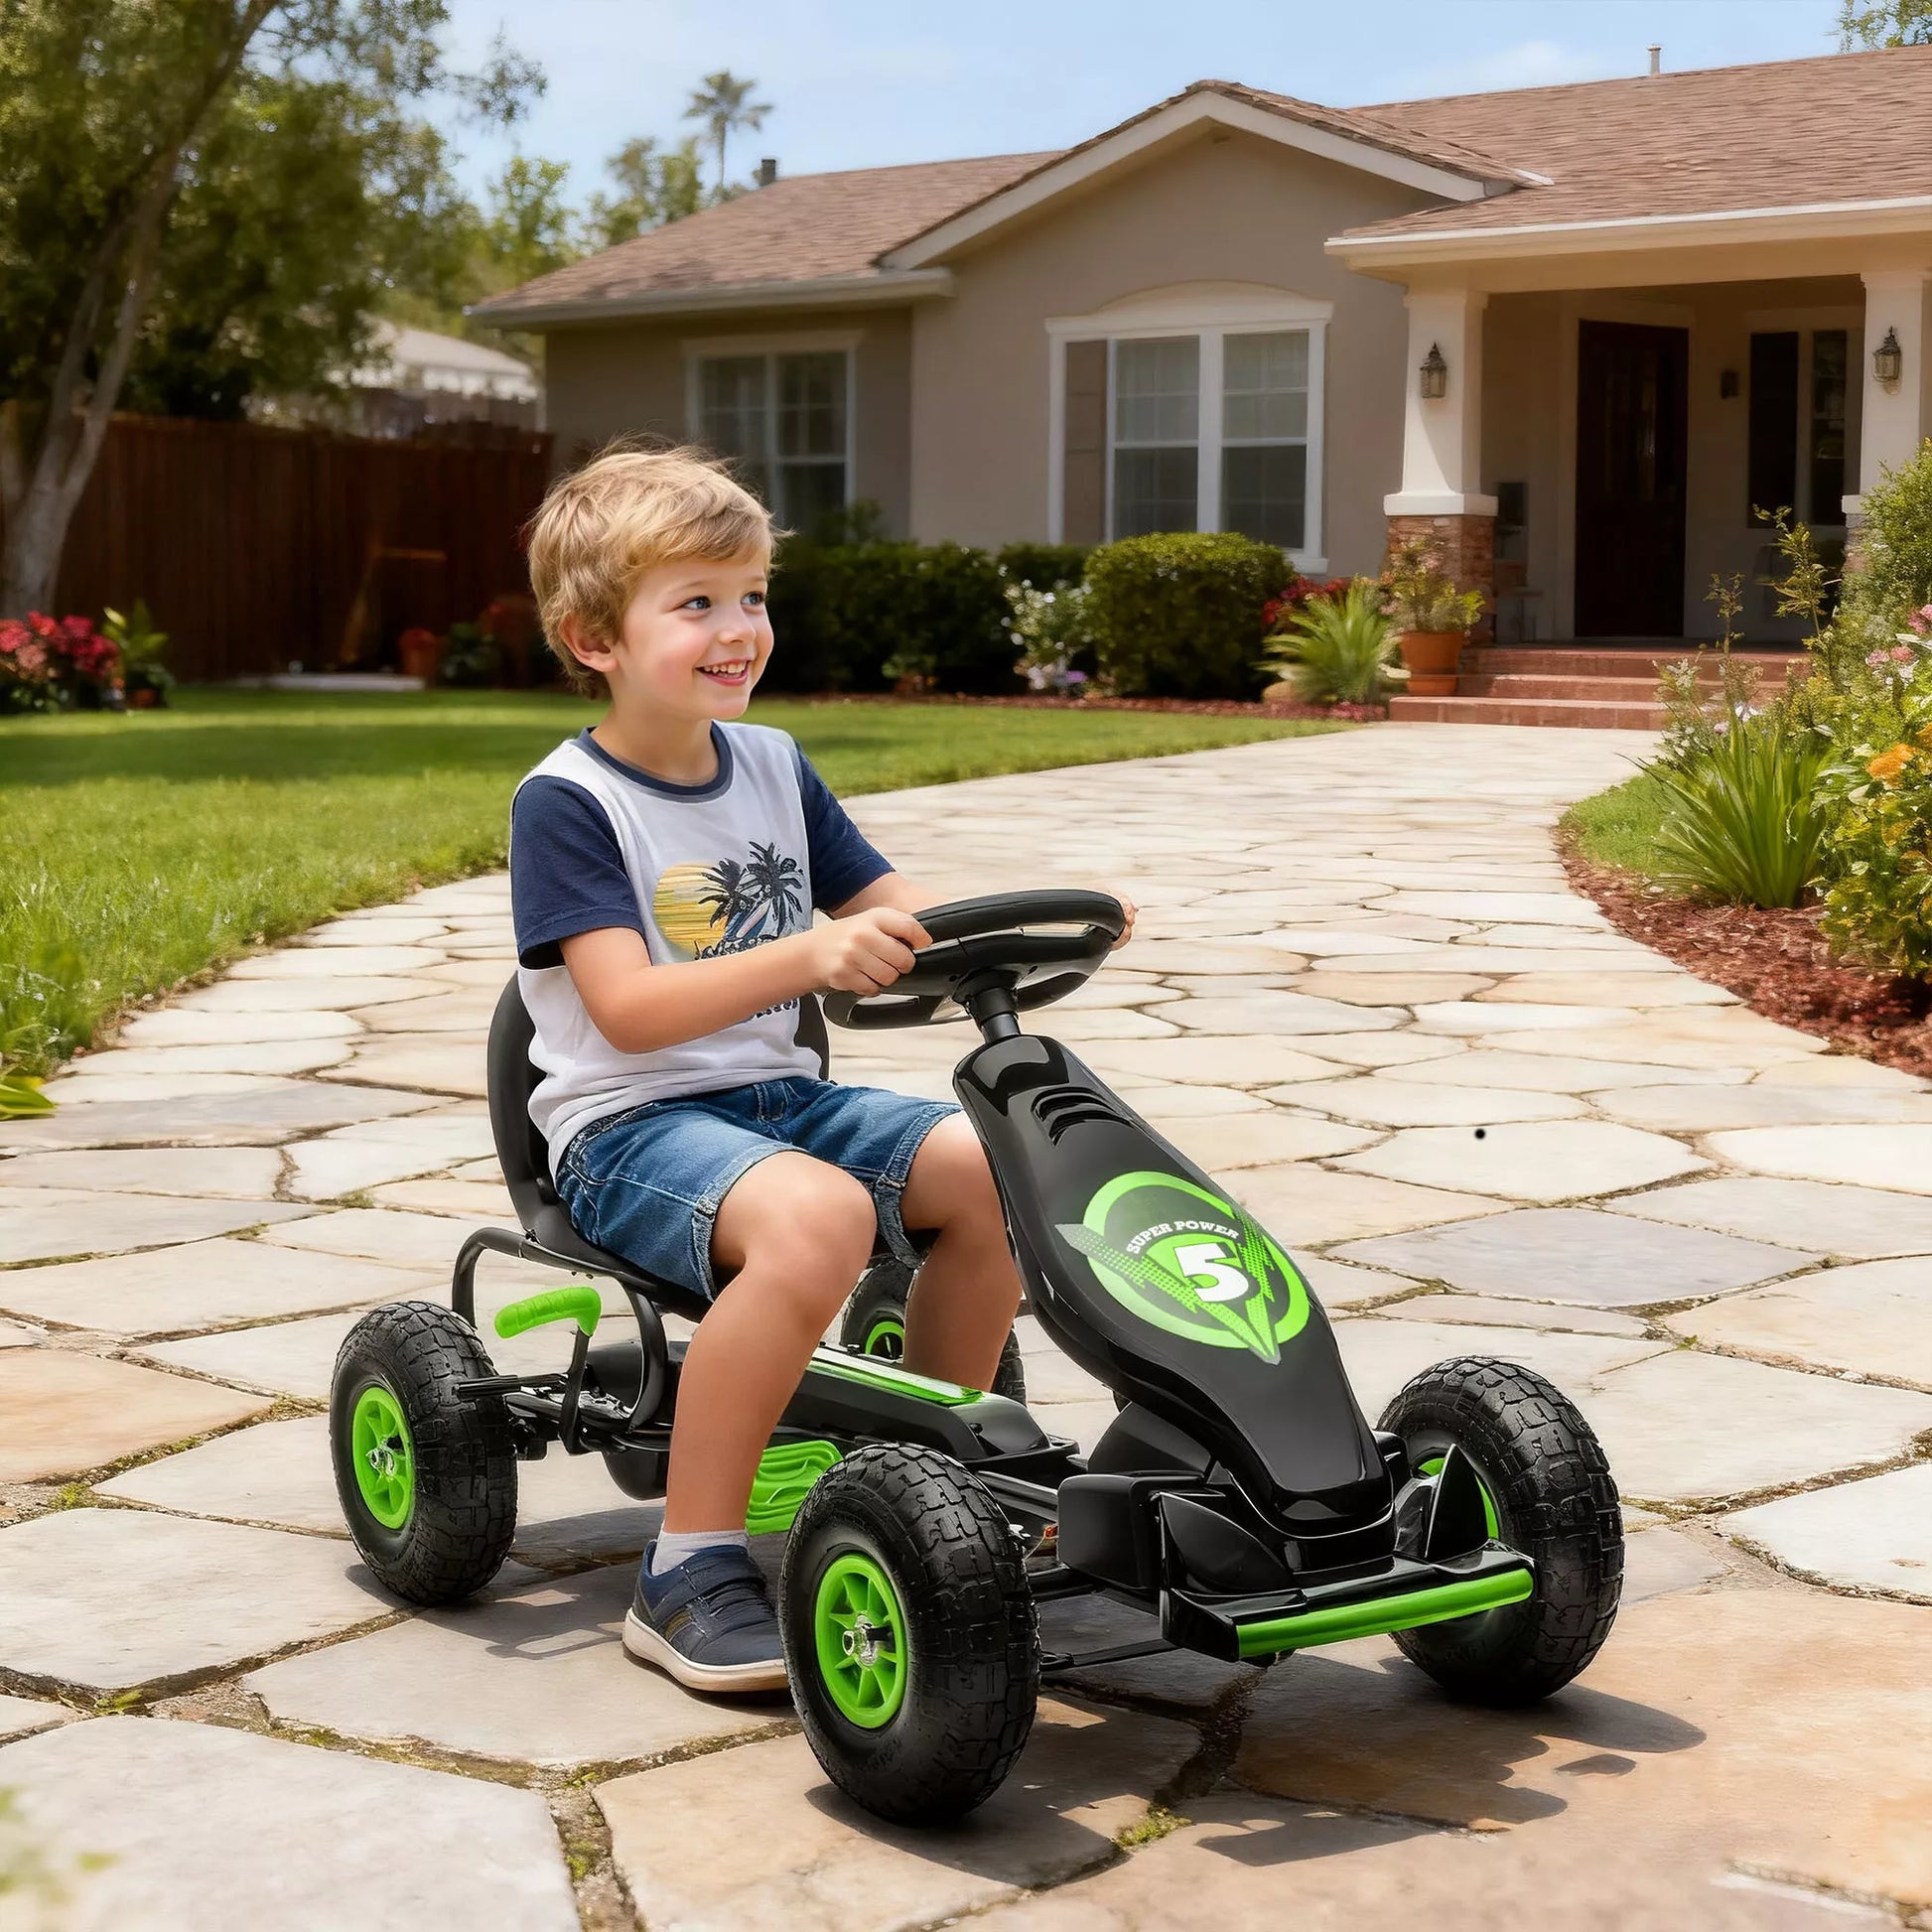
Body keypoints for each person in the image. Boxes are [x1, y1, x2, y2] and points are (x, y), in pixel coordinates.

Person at [510, 445, 1131, 1695]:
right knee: (822, 1216)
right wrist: (807, 950)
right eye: (694, 603)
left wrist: (994, 931)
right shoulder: (569, 802)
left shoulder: (774, 763)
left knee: (1002, 1168)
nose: (738, 628)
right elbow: (626, 1011)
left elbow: (895, 908)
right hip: (631, 1126)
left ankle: (926, 1499)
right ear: (593, 637)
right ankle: (684, 1567)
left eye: (749, 595)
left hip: (779, 1101)